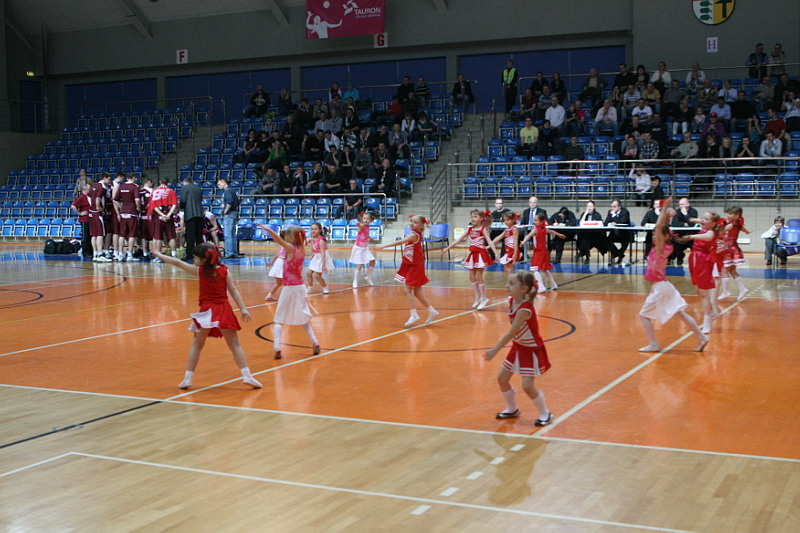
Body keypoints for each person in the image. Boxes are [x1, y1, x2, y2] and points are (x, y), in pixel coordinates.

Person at [154, 243, 261, 390]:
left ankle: (188, 378)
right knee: (235, 345)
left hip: (207, 312)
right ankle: (247, 375)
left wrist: (159, 255)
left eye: (195, 258)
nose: (193, 260)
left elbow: (178, 262)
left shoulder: (199, 271)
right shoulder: (224, 271)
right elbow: (233, 290)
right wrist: (243, 309)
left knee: (197, 345)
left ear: (203, 260)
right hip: (223, 310)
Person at [638, 198, 709, 353]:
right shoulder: (664, 245)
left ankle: (654, 344)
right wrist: (667, 216)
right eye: (653, 235)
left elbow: (659, 227)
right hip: (663, 287)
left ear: (664, 237)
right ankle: (702, 337)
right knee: (680, 313)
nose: (654, 236)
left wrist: (664, 207)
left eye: (656, 235)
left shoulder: (660, 248)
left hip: (661, 288)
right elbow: (662, 227)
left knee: (643, 315)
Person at [483, 271, 553, 426]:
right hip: (518, 347)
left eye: (511, 284)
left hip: (531, 349)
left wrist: (495, 349)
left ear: (524, 289)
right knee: (502, 379)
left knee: (527, 386)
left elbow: (511, 333)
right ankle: (512, 408)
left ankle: (545, 413)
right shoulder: (512, 301)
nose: (506, 286)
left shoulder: (524, 309)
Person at [258, 224, 321, 359]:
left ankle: (277, 347)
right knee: (303, 318)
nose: (284, 237)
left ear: (291, 238)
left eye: (286, 235)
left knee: (279, 319)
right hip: (300, 287)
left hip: (290, 287)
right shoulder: (302, 248)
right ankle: (314, 341)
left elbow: (278, 240)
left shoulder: (291, 248)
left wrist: (268, 230)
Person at [372, 215, 439, 326]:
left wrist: (383, 245)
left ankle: (414, 314)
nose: (412, 223)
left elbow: (400, 242)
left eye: (415, 222)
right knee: (417, 292)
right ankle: (432, 311)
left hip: (415, 266)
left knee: (407, 290)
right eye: (411, 221)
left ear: (421, 225)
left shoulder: (414, 235)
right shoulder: (415, 233)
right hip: (413, 265)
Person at [675, 212, 724, 334]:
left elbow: (708, 237)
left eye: (705, 219)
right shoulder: (706, 227)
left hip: (703, 260)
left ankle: (707, 319)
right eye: (702, 218)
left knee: (703, 292)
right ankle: (711, 313)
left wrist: (690, 237)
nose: (702, 220)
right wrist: (695, 219)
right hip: (695, 258)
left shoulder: (711, 232)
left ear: (713, 223)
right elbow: (700, 221)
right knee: (699, 290)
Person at [441, 209, 493, 309]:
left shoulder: (483, 229)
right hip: (472, 255)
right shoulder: (470, 230)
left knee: (479, 277)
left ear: (481, 218)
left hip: (480, 255)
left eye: (475, 217)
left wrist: (495, 253)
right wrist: (448, 248)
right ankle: (478, 297)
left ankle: (484, 298)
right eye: (472, 217)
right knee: (471, 277)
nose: (473, 218)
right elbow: (459, 239)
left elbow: (490, 241)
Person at [520, 213, 565, 291]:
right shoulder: (544, 228)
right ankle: (554, 284)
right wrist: (559, 234)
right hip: (545, 251)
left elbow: (528, 236)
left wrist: (523, 242)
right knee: (544, 269)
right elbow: (551, 231)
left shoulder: (535, 230)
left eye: (536, 220)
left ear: (541, 222)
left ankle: (541, 287)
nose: (534, 222)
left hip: (539, 252)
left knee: (535, 269)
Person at [717, 206, 750, 300]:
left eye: (730, 214)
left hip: (729, 249)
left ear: (737, 215)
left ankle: (726, 291)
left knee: (724, 270)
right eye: (728, 213)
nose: (728, 215)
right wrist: (747, 232)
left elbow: (720, 232)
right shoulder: (738, 224)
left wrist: (717, 225)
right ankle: (742, 288)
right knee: (732, 270)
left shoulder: (731, 225)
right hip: (733, 248)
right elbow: (744, 229)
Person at [148, 177, 178, 262]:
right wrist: (168, 215)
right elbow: (174, 204)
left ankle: (159, 257)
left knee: (158, 237)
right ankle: (174, 255)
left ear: (160, 182)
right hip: (169, 216)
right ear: (168, 183)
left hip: (158, 217)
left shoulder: (154, 191)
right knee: (171, 236)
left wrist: (162, 215)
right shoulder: (171, 191)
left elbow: (153, 206)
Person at [114, 173, 141, 262]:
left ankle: (120, 254)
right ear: (133, 178)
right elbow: (137, 200)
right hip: (132, 212)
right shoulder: (135, 187)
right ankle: (129, 255)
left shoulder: (121, 187)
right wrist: (138, 209)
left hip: (123, 212)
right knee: (132, 234)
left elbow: (115, 200)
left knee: (122, 234)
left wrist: (121, 208)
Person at [349, 211, 377, 288]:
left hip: (365, 248)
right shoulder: (362, 226)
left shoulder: (368, 227)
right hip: (359, 248)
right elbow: (361, 228)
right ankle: (355, 280)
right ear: (362, 219)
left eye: (367, 219)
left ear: (370, 220)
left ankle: (368, 277)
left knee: (373, 261)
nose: (366, 220)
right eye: (364, 218)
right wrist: (358, 225)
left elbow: (366, 234)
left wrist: (370, 238)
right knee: (360, 264)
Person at [179, 175, 203, 262]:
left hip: (190, 214)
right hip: (200, 214)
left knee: (190, 237)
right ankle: (200, 254)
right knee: (199, 236)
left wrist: (181, 207)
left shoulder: (184, 188)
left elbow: (183, 200)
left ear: (184, 182)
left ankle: (190, 255)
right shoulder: (198, 188)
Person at [306, 222, 333, 295]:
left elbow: (323, 253)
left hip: (321, 258)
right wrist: (312, 254)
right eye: (312, 229)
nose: (313, 231)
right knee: (308, 273)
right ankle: (310, 287)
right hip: (316, 257)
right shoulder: (312, 238)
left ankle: (325, 288)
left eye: (315, 229)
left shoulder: (321, 240)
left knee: (317, 276)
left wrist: (323, 265)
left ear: (320, 230)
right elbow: (313, 247)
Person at [491, 211, 521, 276]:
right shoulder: (506, 229)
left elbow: (516, 242)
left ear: (513, 220)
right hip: (508, 251)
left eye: (508, 220)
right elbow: (499, 237)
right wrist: (490, 244)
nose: (506, 222)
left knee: (509, 268)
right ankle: (512, 280)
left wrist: (515, 253)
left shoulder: (514, 229)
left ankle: (512, 280)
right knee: (506, 269)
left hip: (512, 251)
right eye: (505, 220)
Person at [217, 178, 240, 259]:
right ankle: (234, 252)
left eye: (219, 184)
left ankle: (229, 253)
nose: (218, 186)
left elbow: (229, 202)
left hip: (229, 214)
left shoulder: (227, 191)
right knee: (232, 234)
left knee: (228, 234)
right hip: (234, 213)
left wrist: (225, 211)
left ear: (224, 183)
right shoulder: (232, 191)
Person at [604, 199, 631, 265]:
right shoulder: (610, 212)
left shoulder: (625, 212)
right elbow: (605, 223)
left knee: (625, 242)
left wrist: (614, 216)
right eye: (611, 206)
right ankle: (618, 254)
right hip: (614, 233)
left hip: (624, 233)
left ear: (619, 206)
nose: (612, 208)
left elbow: (622, 222)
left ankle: (620, 254)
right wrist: (610, 223)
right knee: (606, 241)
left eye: (614, 207)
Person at [70, 183, 93, 259]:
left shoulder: (88, 197)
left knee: (90, 236)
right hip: (85, 219)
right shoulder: (82, 197)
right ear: (85, 189)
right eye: (89, 189)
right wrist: (80, 213)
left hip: (90, 219)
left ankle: (90, 251)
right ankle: (85, 252)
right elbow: (73, 206)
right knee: (85, 236)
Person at [265, 230, 287, 302]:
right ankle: (284, 297)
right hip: (282, 263)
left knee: (278, 283)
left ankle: (269, 296)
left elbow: (277, 254)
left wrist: (272, 262)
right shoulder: (287, 245)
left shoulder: (282, 244)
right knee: (286, 282)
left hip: (278, 262)